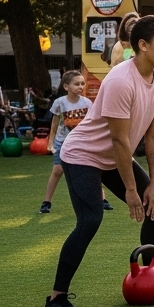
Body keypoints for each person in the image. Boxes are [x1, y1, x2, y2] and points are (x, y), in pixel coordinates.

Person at [44, 15, 154, 307]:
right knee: (90, 220)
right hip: (82, 155)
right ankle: (55, 299)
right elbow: (119, 141)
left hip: (113, 157)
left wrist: (153, 186)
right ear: (143, 45)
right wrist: (131, 190)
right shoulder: (120, 80)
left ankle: (148, 277)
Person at [41, 71, 111, 214]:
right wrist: (51, 142)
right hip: (62, 141)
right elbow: (54, 124)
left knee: (93, 169)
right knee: (58, 170)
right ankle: (46, 202)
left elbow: (92, 123)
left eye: (82, 84)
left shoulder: (86, 103)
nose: (80, 87)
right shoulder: (60, 102)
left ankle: (102, 199)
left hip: (82, 142)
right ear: (66, 86)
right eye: (76, 84)